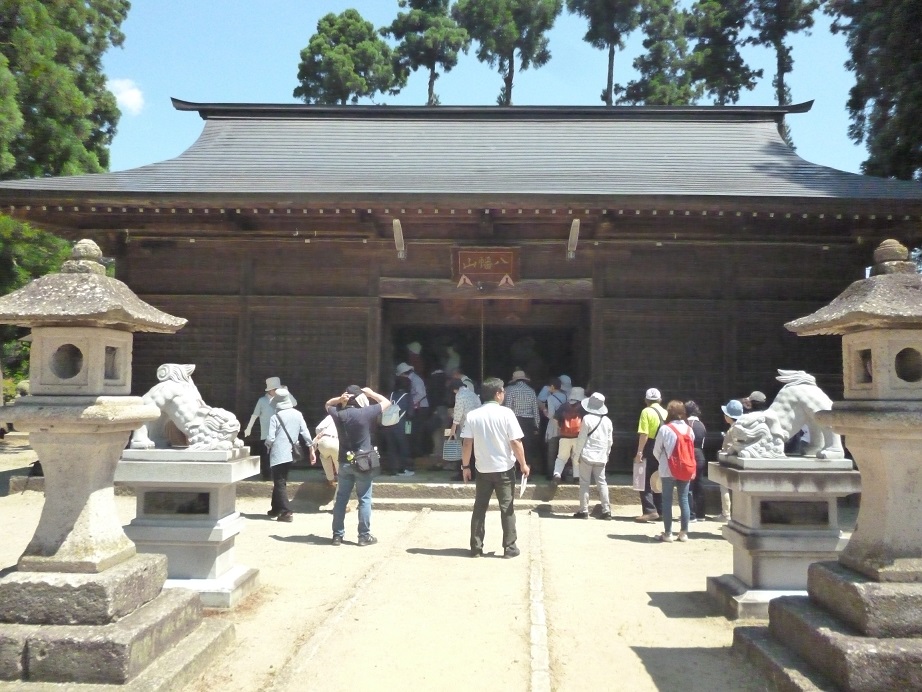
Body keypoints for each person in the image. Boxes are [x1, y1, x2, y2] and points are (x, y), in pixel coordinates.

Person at [461, 377, 530, 558]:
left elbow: (467, 443)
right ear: (498, 394)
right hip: (504, 468)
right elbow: (515, 441)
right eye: (503, 392)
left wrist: (465, 466)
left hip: (482, 469)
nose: (504, 395)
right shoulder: (507, 414)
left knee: (479, 508)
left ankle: (476, 548)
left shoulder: (473, 415)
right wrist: (523, 464)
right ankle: (509, 548)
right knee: (507, 508)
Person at [327, 385, 391, 546]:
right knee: (364, 499)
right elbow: (386, 402)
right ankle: (363, 536)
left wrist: (338, 399)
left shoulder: (339, 414)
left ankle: (337, 536)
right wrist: (372, 393)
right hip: (363, 463)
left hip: (344, 462)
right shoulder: (365, 413)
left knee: (341, 499)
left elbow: (327, 404)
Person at [265, 387, 314, 522]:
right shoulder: (298, 414)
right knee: (281, 480)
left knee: (279, 481)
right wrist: (311, 447)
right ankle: (275, 508)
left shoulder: (275, 417)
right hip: (291, 453)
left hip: (278, 453)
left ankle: (286, 512)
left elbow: (270, 438)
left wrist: (267, 446)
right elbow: (305, 432)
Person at [653, 400, 695, 542]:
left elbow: (656, 450)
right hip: (686, 468)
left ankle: (668, 533)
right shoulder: (689, 429)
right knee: (684, 499)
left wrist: (663, 461)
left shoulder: (665, 429)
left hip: (667, 468)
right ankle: (683, 533)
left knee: (667, 500)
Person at [572, 392, 614, 520]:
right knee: (602, 482)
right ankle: (606, 510)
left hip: (587, 455)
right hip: (601, 456)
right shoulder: (607, 421)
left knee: (584, 483)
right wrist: (606, 455)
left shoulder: (587, 419)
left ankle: (584, 510)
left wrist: (576, 455)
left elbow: (581, 439)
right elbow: (609, 441)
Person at [244, 376, 289, 480]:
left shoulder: (282, 400)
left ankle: (279, 474)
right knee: (266, 455)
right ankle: (266, 474)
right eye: (276, 389)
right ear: (270, 390)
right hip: (266, 432)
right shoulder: (262, 401)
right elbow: (255, 415)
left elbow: (291, 406)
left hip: (280, 432)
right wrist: (249, 428)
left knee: (280, 454)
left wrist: (286, 391)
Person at [634, 388, 667, 523]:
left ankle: (649, 510)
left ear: (646, 400)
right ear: (660, 399)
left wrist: (639, 452)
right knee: (658, 479)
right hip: (663, 448)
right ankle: (661, 510)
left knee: (644, 479)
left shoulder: (646, 411)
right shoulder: (666, 412)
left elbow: (644, 434)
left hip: (650, 446)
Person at [503, 369, 541, 474]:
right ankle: (526, 472)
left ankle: (514, 470)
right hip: (528, 422)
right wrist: (536, 426)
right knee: (527, 446)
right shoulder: (531, 391)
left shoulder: (511, 390)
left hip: (515, 420)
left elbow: (508, 407)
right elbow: (535, 410)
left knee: (513, 444)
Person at [447, 377, 482, 478]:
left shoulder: (460, 395)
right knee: (475, 451)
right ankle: (475, 473)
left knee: (465, 450)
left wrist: (453, 427)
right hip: (477, 424)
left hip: (467, 425)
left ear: (453, 389)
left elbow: (458, 411)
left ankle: (463, 474)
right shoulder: (472, 394)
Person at [396, 362, 431, 459]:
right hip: (415, 408)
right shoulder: (413, 379)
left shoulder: (416, 380)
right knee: (412, 430)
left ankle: (417, 453)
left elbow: (421, 393)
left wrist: (410, 403)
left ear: (403, 373)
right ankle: (414, 451)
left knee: (417, 430)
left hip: (421, 408)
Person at [551, 386, 585, 484]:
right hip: (578, 436)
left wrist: (559, 428)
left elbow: (555, 419)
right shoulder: (583, 407)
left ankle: (557, 474)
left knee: (561, 457)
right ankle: (576, 477)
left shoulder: (564, 406)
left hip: (564, 435)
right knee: (577, 457)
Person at [718, 399, 744, 522]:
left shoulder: (732, 430)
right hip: (738, 462)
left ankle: (726, 513)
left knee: (725, 487)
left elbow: (729, 448)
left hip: (729, 462)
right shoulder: (742, 427)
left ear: (729, 416)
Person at [382, 374, 413, 476]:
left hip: (388, 424)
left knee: (391, 447)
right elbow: (410, 413)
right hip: (401, 424)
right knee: (403, 446)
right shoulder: (407, 396)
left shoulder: (390, 395)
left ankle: (392, 469)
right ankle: (403, 469)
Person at [539, 377, 568, 480]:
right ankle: (562, 474)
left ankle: (551, 474)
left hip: (553, 427)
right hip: (564, 426)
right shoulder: (565, 396)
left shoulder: (550, 398)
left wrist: (544, 411)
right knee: (563, 453)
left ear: (552, 386)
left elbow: (551, 414)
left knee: (551, 452)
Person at [684, 401, 708, 522]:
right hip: (701, 455)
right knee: (699, 485)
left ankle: (691, 514)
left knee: (689, 486)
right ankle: (701, 514)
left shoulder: (689, 424)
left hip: (691, 454)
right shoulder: (701, 424)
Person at [312, 413, 340, 487]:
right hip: (336, 440)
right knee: (338, 461)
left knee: (325, 459)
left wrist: (319, 435)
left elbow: (318, 428)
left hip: (324, 440)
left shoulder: (330, 416)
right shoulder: (346, 415)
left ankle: (330, 480)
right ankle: (341, 481)